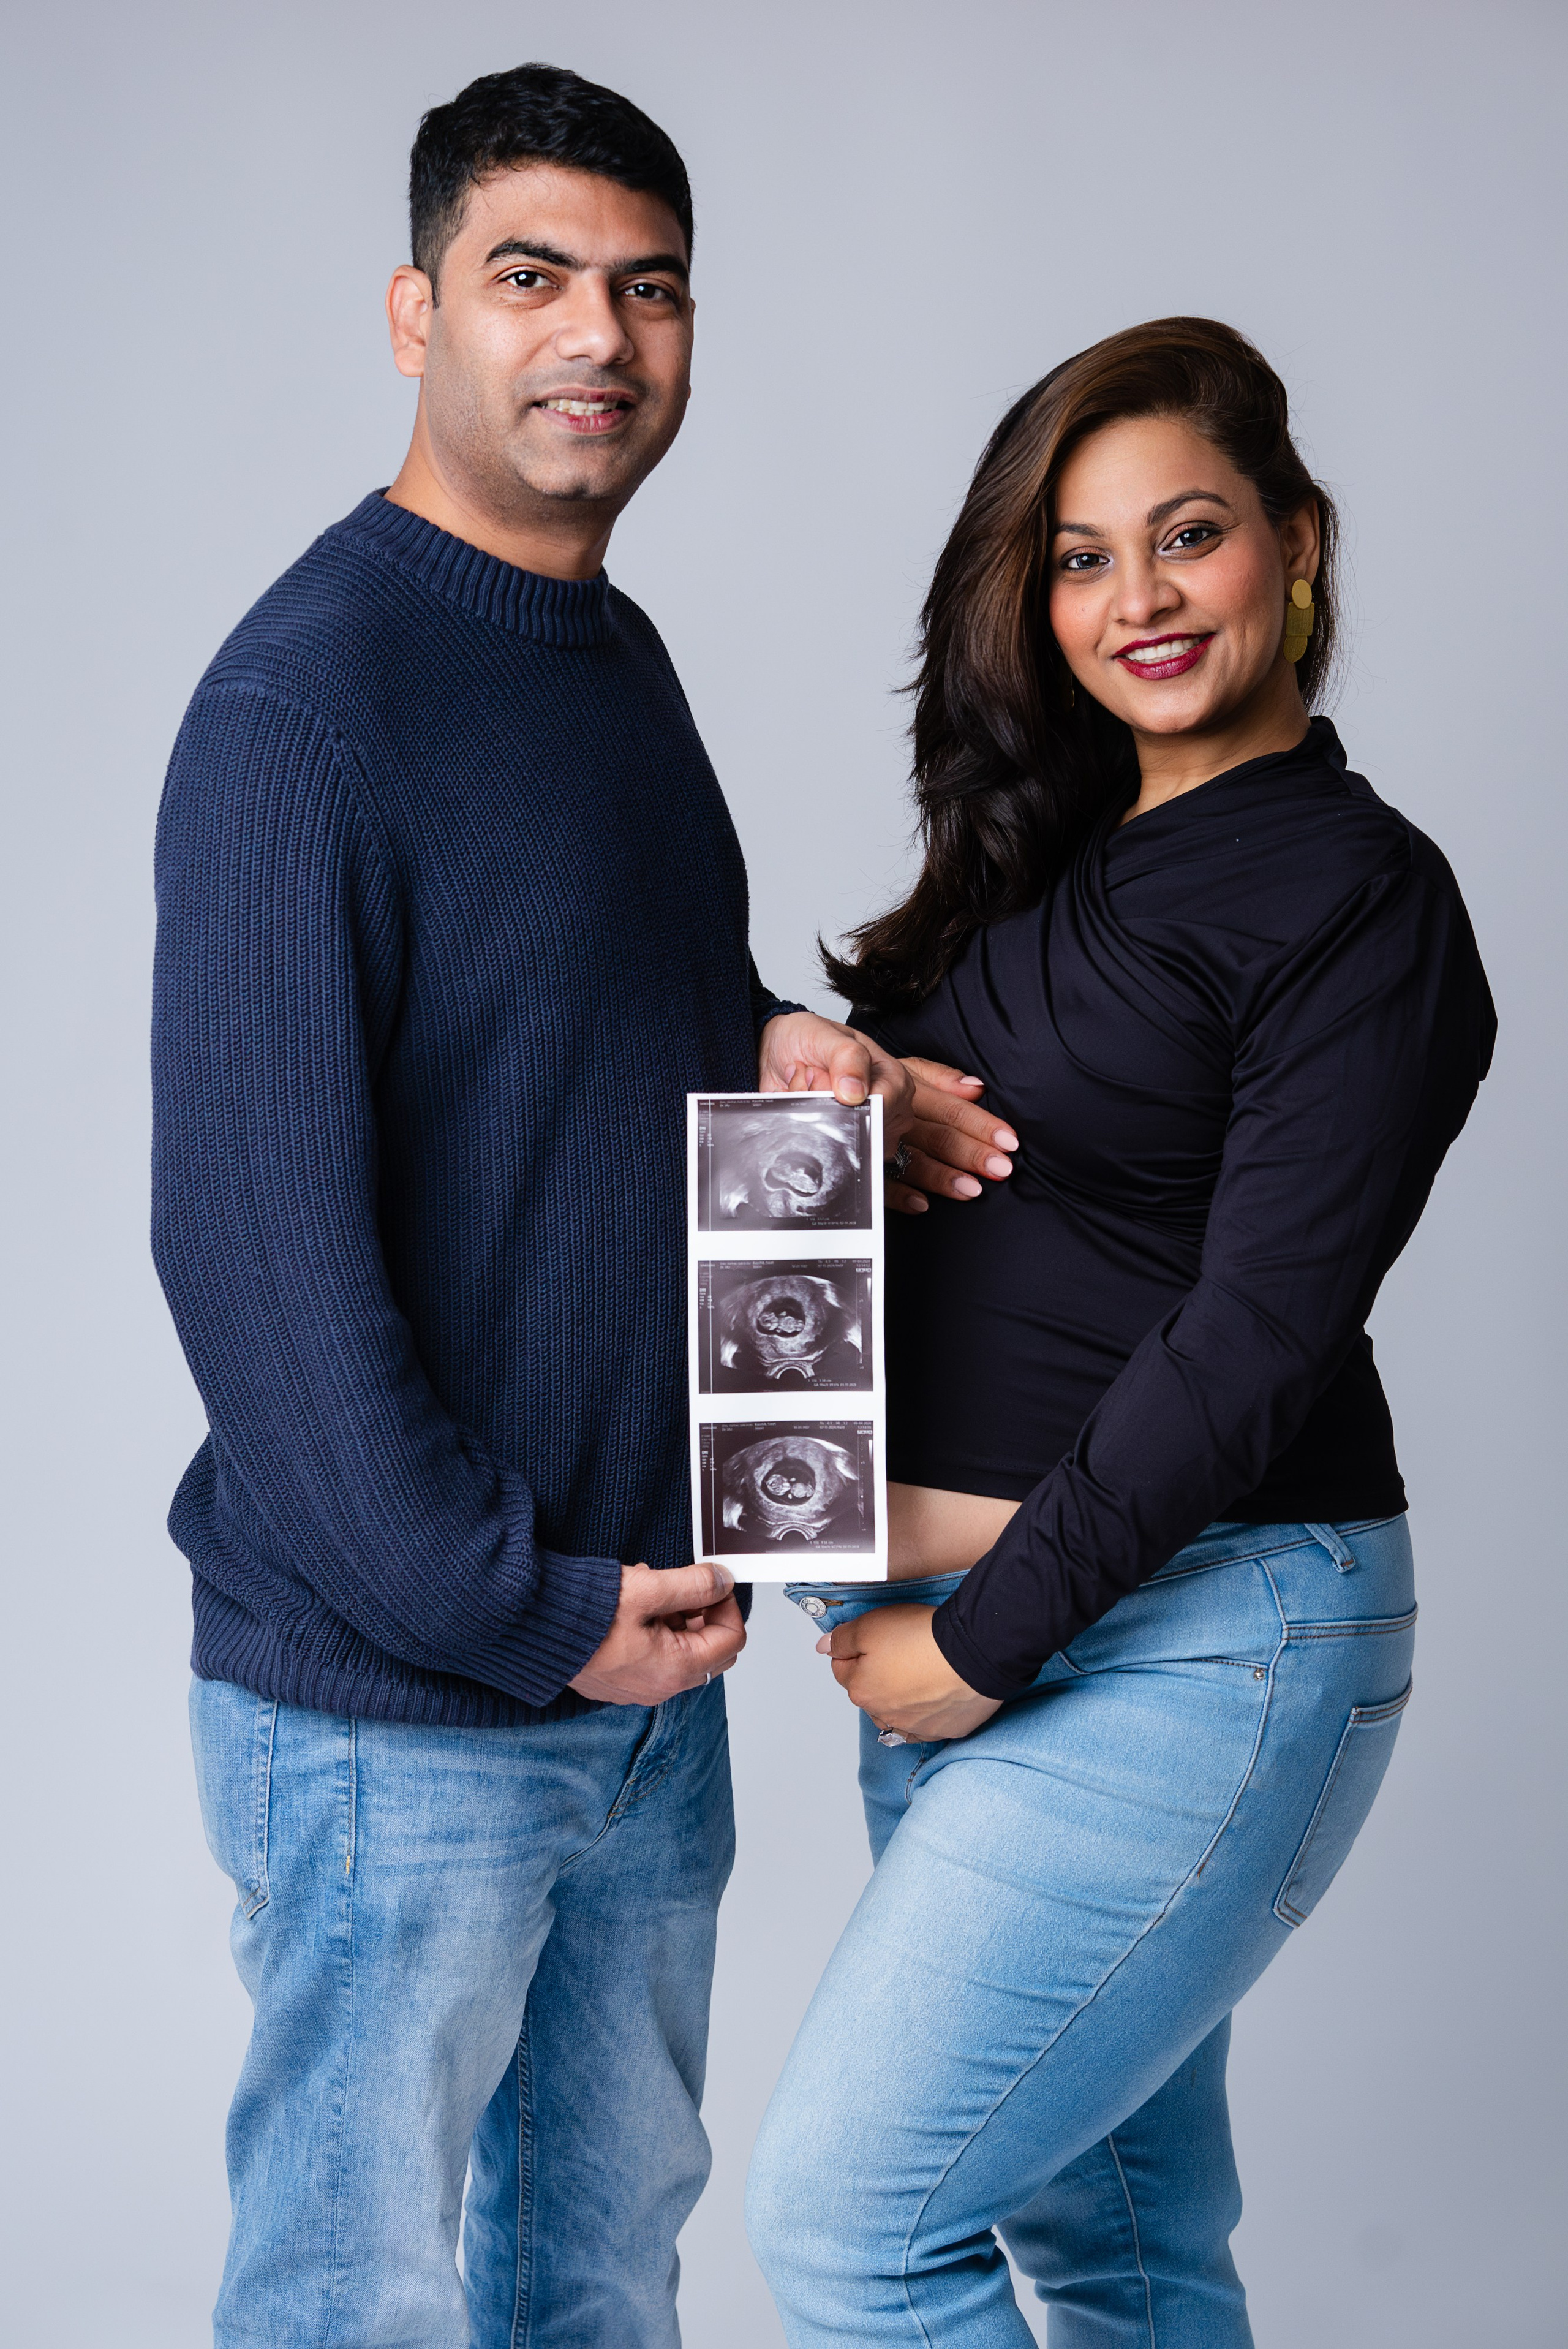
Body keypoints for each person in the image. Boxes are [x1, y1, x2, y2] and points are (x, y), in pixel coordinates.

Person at [151, 62, 991, 2349]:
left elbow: (582, 1007)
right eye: (532, 279)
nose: (596, 338)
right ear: (417, 308)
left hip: (646, 1654)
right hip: (405, 1689)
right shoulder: (300, 707)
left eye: (648, 289)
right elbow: (253, 1253)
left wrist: (778, 1043)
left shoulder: (610, 662)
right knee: (358, 2298)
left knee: (597, 2284)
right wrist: (522, 1611)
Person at [747, 318, 1495, 2345]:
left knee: (848, 2228)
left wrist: (984, 1639)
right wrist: (845, 1077)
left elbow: (1257, 1334)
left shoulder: (1362, 897)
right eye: (1079, 557)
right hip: (1003, 1626)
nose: (1138, 599)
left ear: (1298, 541)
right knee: (1118, 2249)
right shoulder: (1053, 860)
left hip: (1181, 1632)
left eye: (1189, 535)